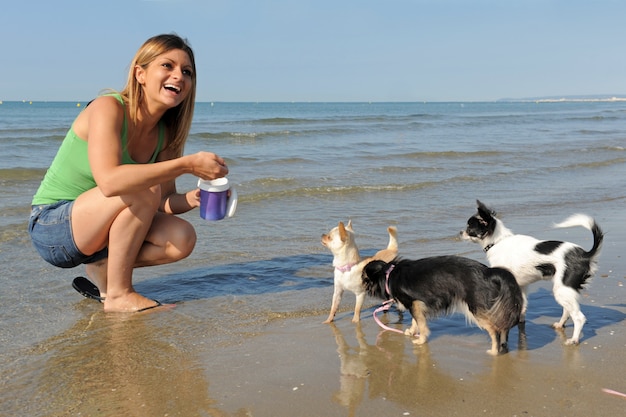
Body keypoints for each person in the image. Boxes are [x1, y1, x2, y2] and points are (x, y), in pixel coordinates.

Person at [28, 34, 228, 312]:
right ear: (140, 74)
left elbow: (161, 201)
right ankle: (119, 294)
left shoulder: (164, 134)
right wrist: (186, 164)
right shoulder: (108, 107)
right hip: (53, 226)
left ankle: (103, 270)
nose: (178, 76)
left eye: (187, 71)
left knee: (182, 239)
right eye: (167, 66)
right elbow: (110, 182)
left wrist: (194, 199)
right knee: (140, 185)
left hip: (100, 232)